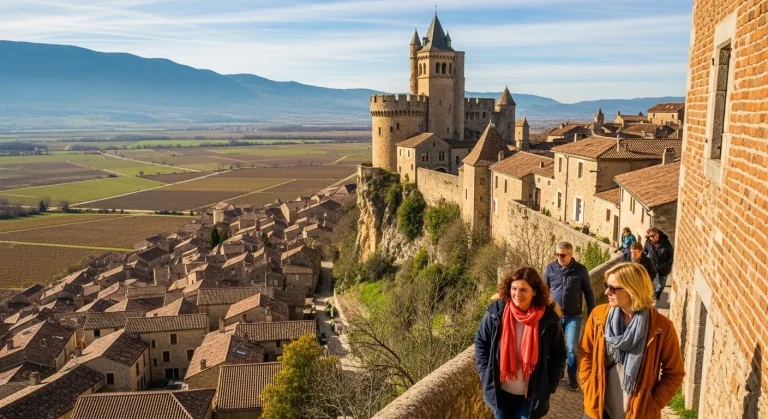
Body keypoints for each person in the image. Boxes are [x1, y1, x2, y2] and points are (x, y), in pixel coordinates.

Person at [578, 262, 684, 419]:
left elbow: (674, 373)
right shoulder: (599, 316)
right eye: (606, 285)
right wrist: (589, 386)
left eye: (613, 288)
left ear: (633, 289)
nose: (607, 291)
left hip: (638, 413)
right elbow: (585, 352)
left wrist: (652, 404)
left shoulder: (661, 328)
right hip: (598, 410)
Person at [475, 267, 566, 419]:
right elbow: (481, 343)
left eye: (524, 290)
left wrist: (549, 385)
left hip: (531, 395)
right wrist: (485, 375)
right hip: (500, 393)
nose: (517, 294)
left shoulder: (547, 319)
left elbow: (559, 354)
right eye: (514, 288)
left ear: (535, 291)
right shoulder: (496, 312)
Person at [543, 242, 595, 391]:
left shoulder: (580, 270)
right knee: (555, 347)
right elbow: (544, 290)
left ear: (570, 255)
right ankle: (559, 373)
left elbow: (589, 293)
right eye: (557, 254)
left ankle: (572, 375)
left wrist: (592, 313)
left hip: (574, 316)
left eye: (562, 255)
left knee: (571, 348)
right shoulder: (550, 268)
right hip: (555, 316)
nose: (559, 257)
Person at [643, 227, 674, 300]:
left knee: (661, 285)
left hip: (664, 268)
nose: (651, 238)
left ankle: (658, 293)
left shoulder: (666, 243)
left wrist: (665, 266)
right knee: (653, 283)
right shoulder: (648, 242)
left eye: (652, 236)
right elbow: (645, 252)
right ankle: (653, 295)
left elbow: (671, 257)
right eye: (649, 236)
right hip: (652, 267)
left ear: (658, 235)